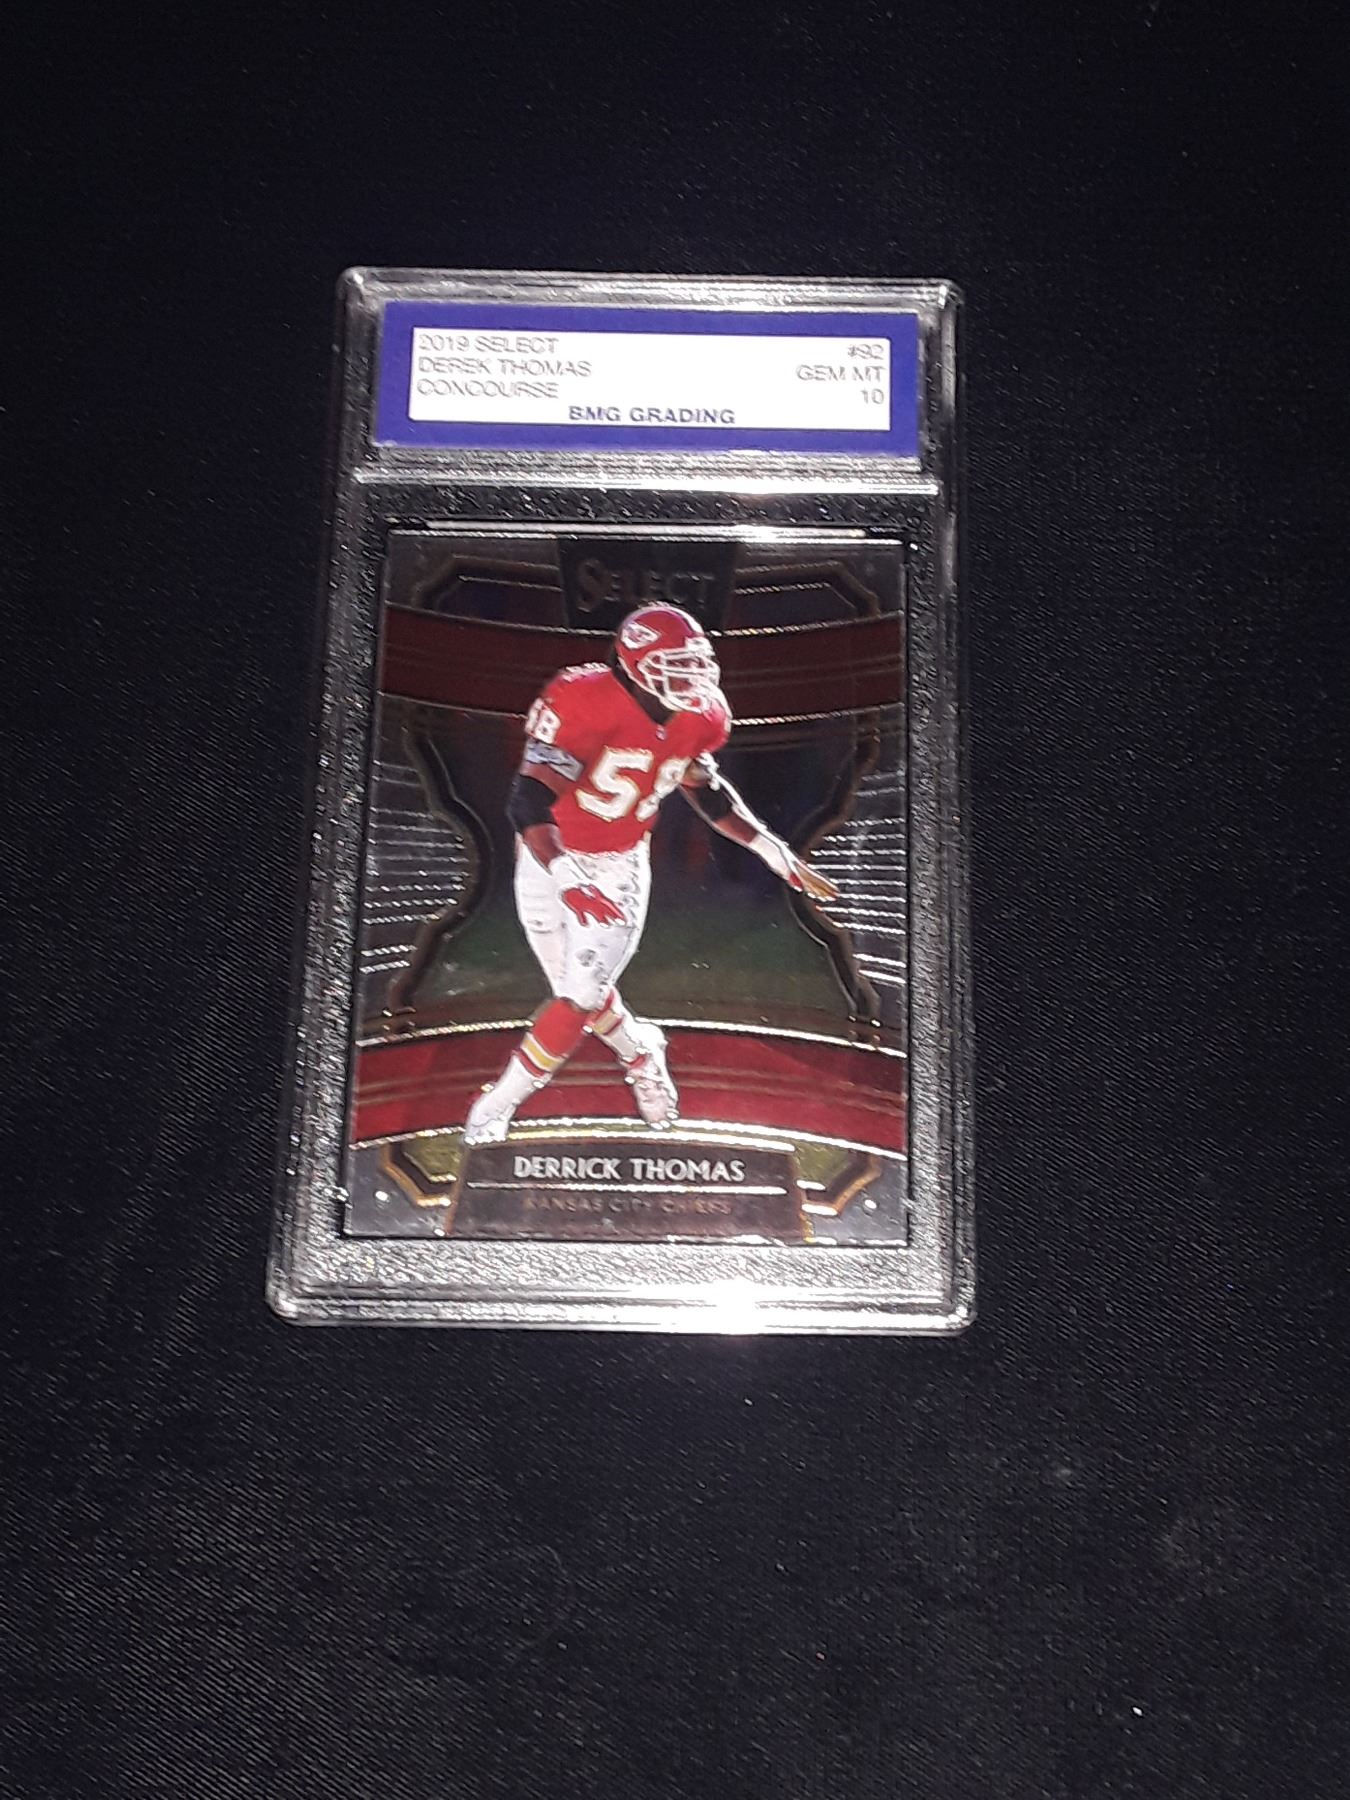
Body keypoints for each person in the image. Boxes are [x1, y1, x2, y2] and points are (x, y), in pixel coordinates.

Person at [463, 603, 837, 1145]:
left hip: (618, 865)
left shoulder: (702, 716)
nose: (694, 679)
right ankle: (640, 1050)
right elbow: (528, 802)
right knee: (579, 993)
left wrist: (772, 850)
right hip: (550, 856)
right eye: (677, 666)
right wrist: (568, 878)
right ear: (636, 665)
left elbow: (705, 790)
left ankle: (494, 1107)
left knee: (579, 998)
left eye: (697, 663)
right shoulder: (582, 699)